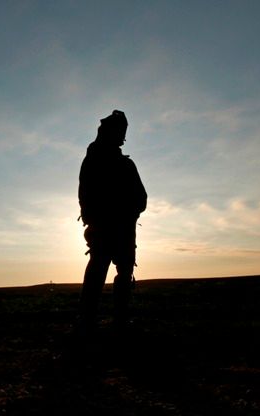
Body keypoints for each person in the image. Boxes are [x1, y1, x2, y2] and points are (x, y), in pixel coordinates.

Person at [78, 110, 147, 331]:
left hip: (121, 229)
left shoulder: (123, 164)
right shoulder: (96, 161)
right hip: (106, 228)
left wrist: (130, 213)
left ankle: (117, 319)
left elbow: (141, 198)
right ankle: (91, 321)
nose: (121, 136)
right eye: (119, 131)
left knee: (120, 271)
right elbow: (85, 194)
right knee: (100, 270)